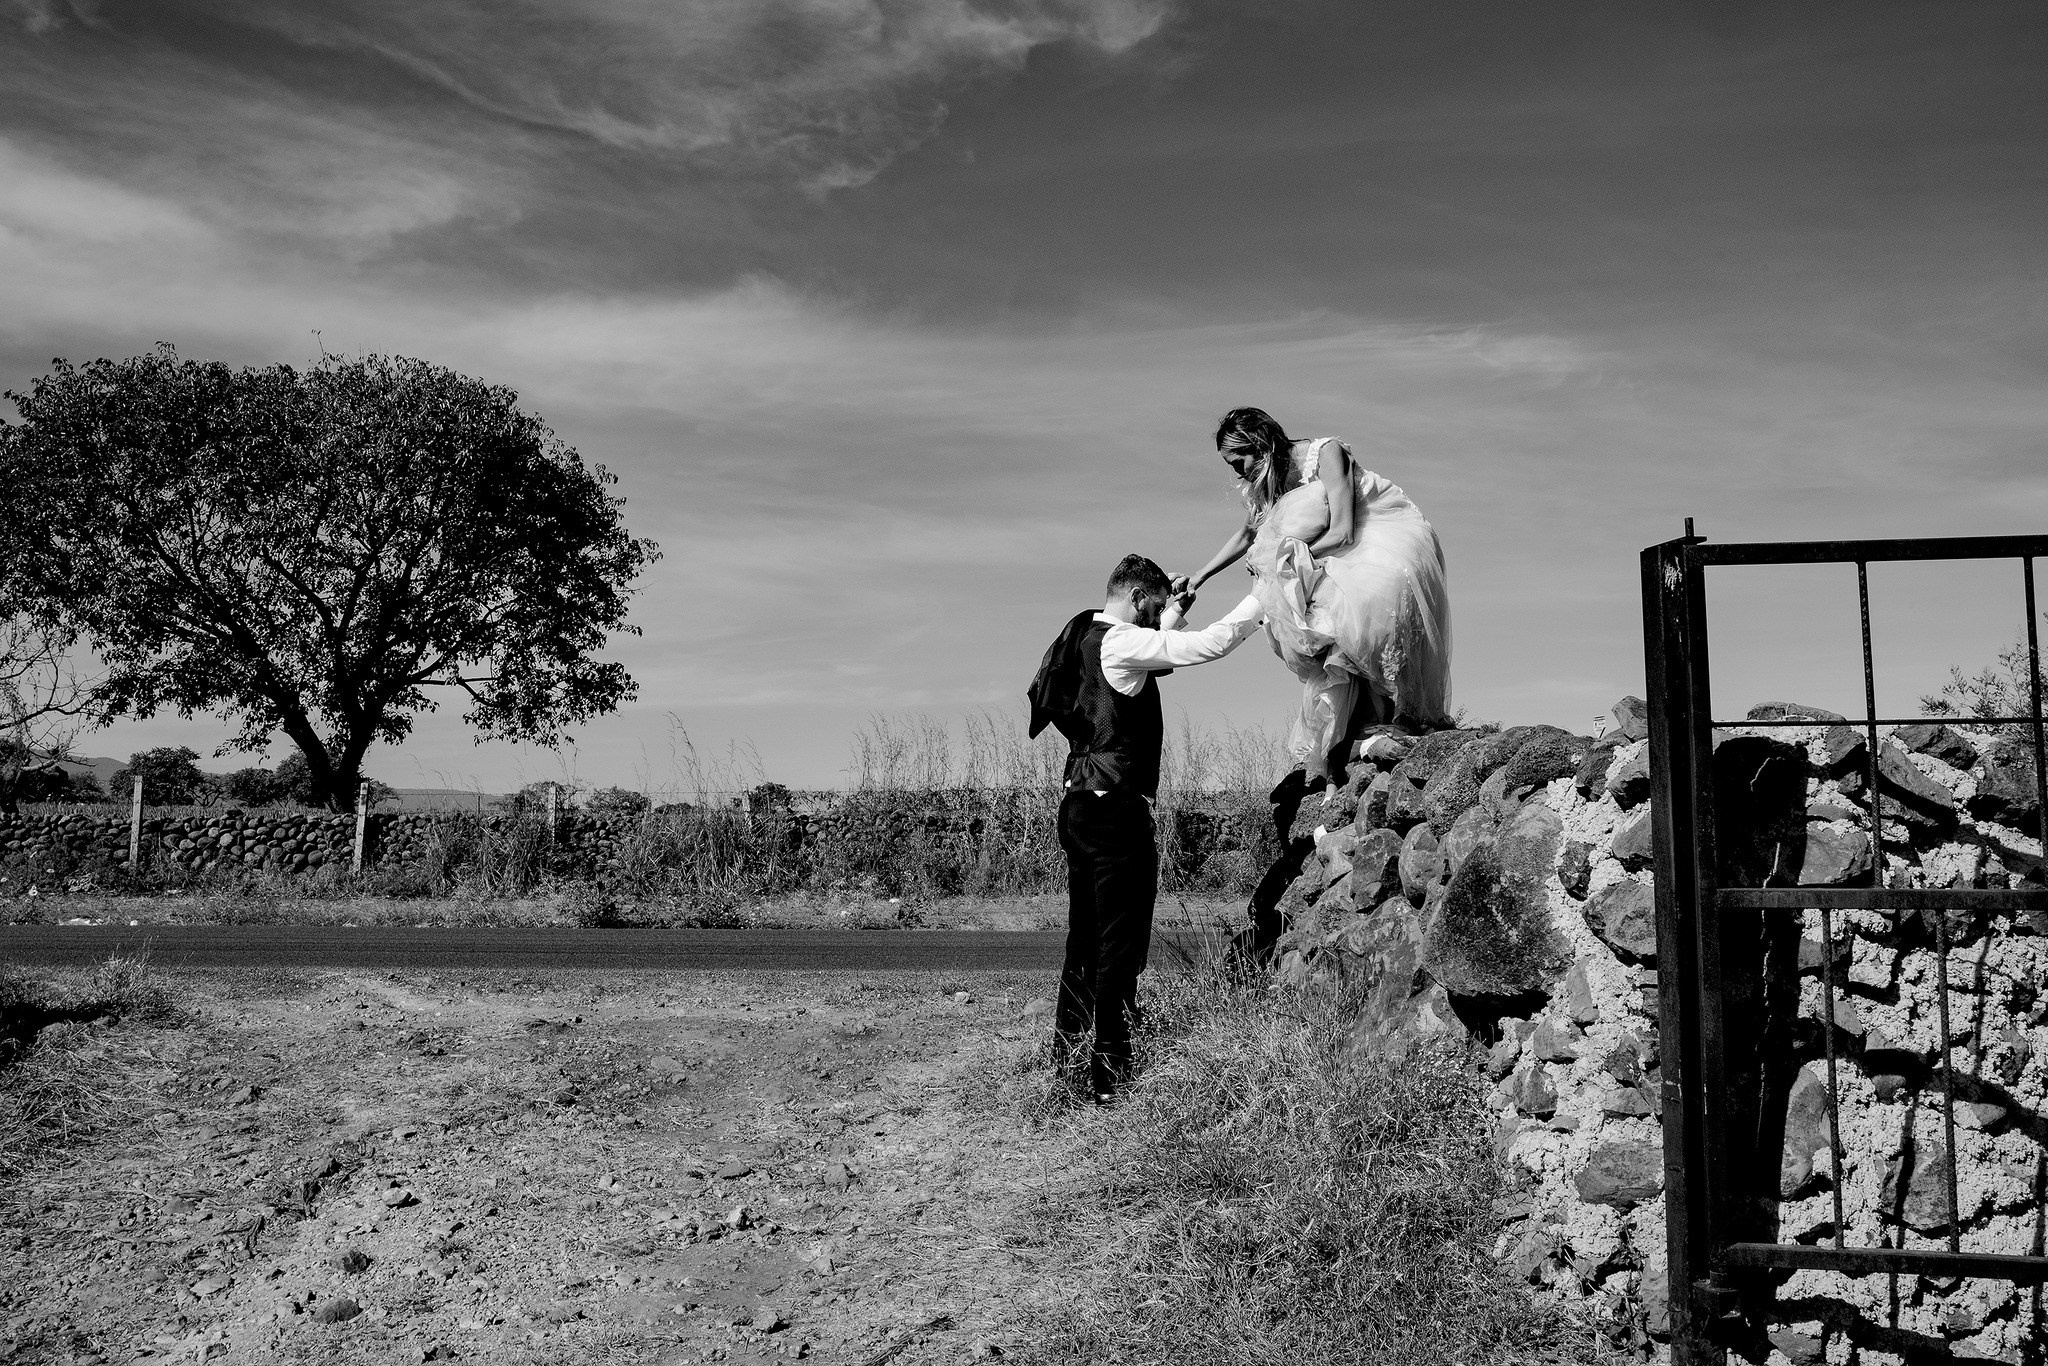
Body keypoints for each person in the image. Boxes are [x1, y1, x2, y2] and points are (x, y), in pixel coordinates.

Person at [1026, 554, 1263, 1101]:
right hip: (1115, 813)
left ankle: (1066, 1054)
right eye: (1153, 607)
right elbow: (1206, 646)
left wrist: (1174, 609)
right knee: (1117, 943)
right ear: (1136, 597)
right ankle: (1109, 1075)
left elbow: (1150, 656)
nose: (1157, 618)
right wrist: (1263, 601)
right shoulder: (1121, 641)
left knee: (1083, 937)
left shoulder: (1087, 634)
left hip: (1079, 804)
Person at [1175, 407, 1452, 785]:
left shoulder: (1327, 454)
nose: (1236, 472)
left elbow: (1343, 531)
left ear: (1261, 444)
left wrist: (1283, 562)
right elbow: (1247, 534)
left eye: (1239, 460)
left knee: (1357, 613)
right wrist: (1200, 576)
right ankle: (1356, 736)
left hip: (1377, 539)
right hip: (1326, 551)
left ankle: (1392, 718)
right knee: (1317, 627)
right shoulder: (1268, 482)